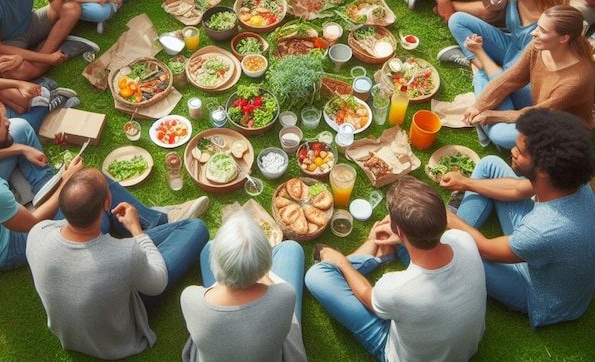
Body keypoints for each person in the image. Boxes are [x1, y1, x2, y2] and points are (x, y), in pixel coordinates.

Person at [26, 168, 209, 359]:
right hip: (116, 334)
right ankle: (160, 221)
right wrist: (136, 229)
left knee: (94, 180)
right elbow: (158, 282)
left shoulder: (37, 232)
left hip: (71, 334)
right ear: (108, 202)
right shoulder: (124, 254)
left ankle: (159, 220)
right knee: (195, 228)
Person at [305, 175, 486, 361]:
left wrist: (341, 261)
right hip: (462, 350)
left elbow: (367, 296)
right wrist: (403, 238)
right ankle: (379, 253)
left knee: (316, 275)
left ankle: (374, 255)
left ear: (399, 231)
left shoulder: (396, 288)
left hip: (404, 355)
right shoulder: (464, 239)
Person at [442, 108, 595, 328]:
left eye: (520, 151)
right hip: (547, 252)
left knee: (461, 253)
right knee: (489, 165)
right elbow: (516, 188)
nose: (512, 151)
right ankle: (448, 234)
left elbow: (487, 249)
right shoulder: (569, 180)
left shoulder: (543, 229)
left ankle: (439, 245)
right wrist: (466, 182)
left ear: (543, 170)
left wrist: (448, 218)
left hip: (540, 292)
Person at [0, 96, 80, 278]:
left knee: (21, 127)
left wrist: (21, 149)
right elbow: (34, 223)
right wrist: (66, 182)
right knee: (81, 214)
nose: (6, 122)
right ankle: (49, 188)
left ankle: (43, 183)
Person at [181, 211, 307, 362]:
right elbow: (272, 288)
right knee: (291, 248)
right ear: (265, 260)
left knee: (207, 247)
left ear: (217, 261)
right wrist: (261, 273)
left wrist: (233, 270)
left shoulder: (189, 297)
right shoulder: (285, 295)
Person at [463, 5, 594, 150]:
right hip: (537, 105)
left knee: (500, 135)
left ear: (564, 38)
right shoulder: (537, 47)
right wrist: (480, 104)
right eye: (537, 26)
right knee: (490, 79)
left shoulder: (577, 79)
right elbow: (511, 79)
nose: (533, 33)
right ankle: (488, 120)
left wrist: (491, 115)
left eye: (542, 31)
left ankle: (492, 128)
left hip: (556, 127)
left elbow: (539, 114)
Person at [441, 0, 570, 79]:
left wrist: (479, 51)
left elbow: (511, 78)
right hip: (509, 45)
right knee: (457, 20)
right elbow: (490, 8)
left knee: (494, 84)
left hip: (524, 65)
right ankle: (481, 65)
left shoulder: (544, 24)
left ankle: (478, 67)